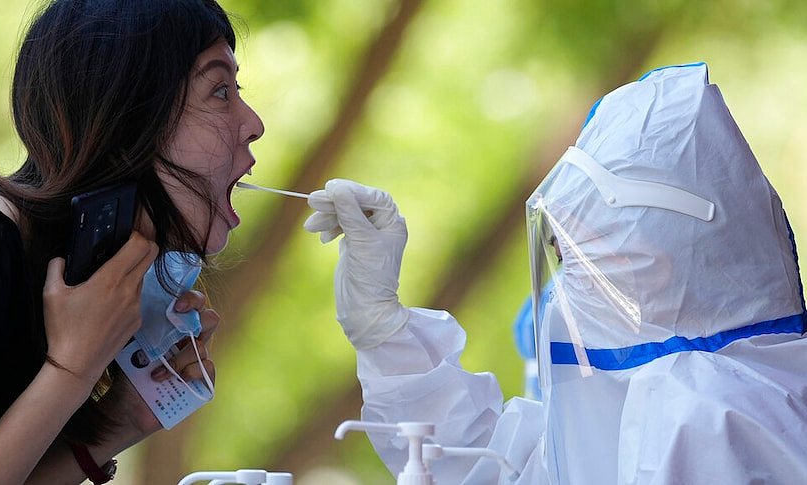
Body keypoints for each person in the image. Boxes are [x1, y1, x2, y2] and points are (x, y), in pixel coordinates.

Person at [304, 63, 807, 484]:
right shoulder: (648, 396)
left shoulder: (705, 416)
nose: (561, 288)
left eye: (579, 259)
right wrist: (383, 329)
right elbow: (494, 469)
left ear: (660, 264)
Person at [0, 0, 264, 483]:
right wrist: (73, 368)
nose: (254, 124)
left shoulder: (41, 270)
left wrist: (118, 424)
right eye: (220, 91)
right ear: (128, 118)